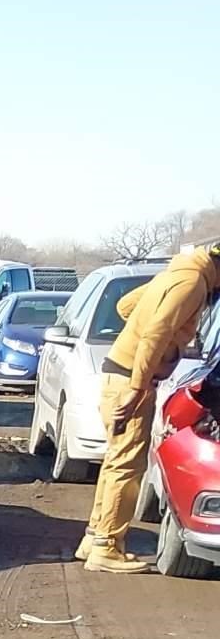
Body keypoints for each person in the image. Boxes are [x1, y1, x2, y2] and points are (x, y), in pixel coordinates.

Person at [80, 240, 220, 572]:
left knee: (117, 460)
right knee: (127, 464)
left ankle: (95, 537)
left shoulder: (177, 272)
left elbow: (127, 306)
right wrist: (137, 386)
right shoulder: (192, 282)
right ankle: (106, 548)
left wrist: (163, 340)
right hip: (130, 380)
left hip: (121, 373)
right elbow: (154, 334)